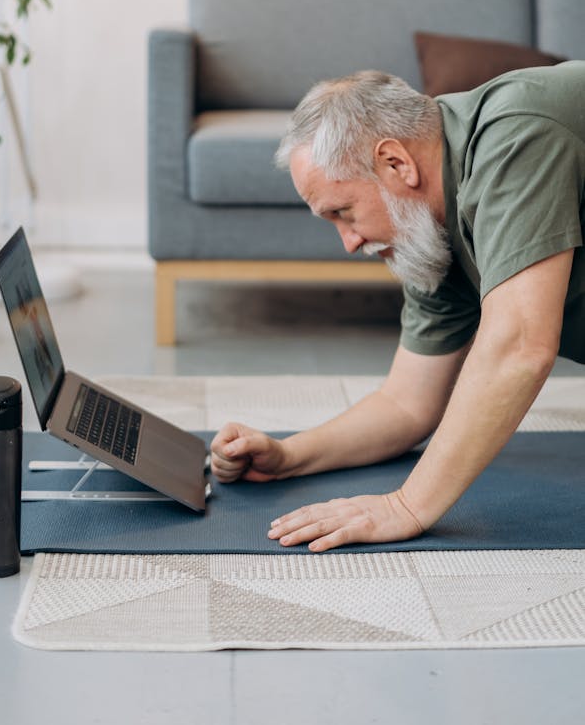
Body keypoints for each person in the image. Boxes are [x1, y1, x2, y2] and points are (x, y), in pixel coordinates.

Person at [210, 62, 585, 552]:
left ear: (395, 163)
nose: (348, 242)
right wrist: (288, 455)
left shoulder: (516, 134)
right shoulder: (431, 229)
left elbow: (519, 346)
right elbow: (407, 404)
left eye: (342, 212)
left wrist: (407, 506)